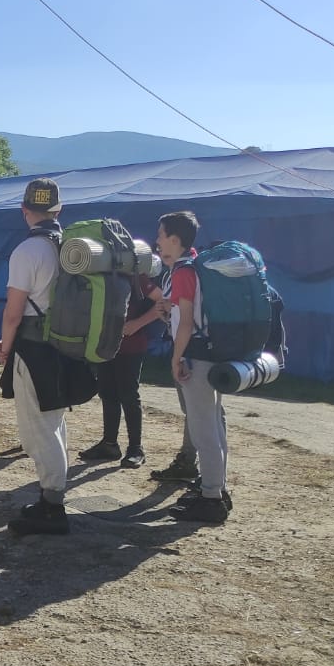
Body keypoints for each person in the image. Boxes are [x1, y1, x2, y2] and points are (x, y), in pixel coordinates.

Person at [0, 178, 74, 535]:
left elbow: (13, 312)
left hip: (33, 347)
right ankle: (51, 497)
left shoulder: (27, 251)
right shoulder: (71, 247)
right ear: (58, 210)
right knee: (53, 421)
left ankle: (53, 505)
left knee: (36, 430)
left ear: (24, 210)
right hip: (63, 344)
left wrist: (5, 346)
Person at [159, 210, 231, 524]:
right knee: (214, 424)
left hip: (196, 357)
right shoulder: (200, 265)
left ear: (175, 239)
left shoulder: (183, 272)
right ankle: (218, 489)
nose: (158, 242)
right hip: (215, 352)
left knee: (203, 429)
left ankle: (210, 498)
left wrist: (176, 358)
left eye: (161, 235)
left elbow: (186, 323)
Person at [77, 263, 163, 469]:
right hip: (105, 344)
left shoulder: (135, 276)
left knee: (128, 394)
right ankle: (109, 444)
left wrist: (137, 324)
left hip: (131, 345)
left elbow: (162, 301)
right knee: (107, 392)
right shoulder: (99, 275)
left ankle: (135, 449)